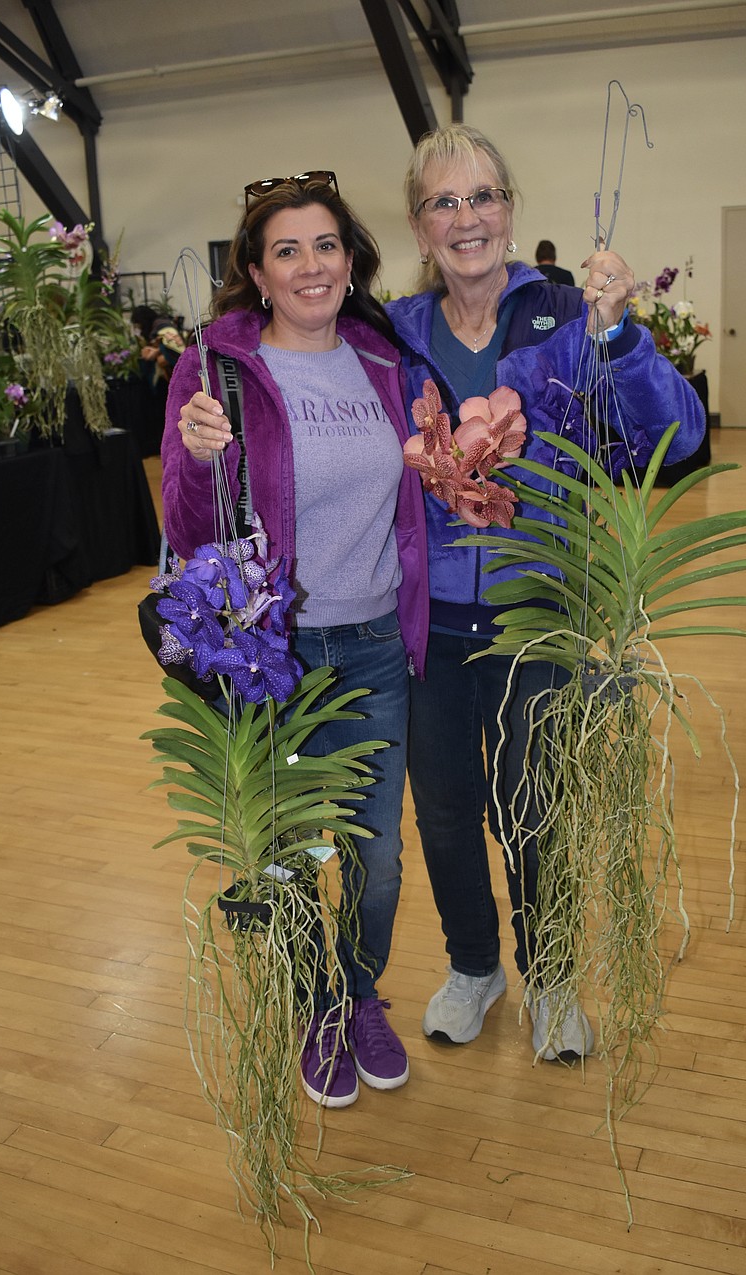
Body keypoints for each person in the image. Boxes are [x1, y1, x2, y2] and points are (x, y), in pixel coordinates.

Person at [387, 124, 705, 1061]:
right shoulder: (395, 335)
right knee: (444, 809)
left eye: (482, 196)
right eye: (444, 202)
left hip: (540, 615)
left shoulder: (568, 315)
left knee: (536, 805)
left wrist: (620, 335)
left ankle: (554, 975)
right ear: (419, 227)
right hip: (432, 621)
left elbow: (674, 439)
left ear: (510, 210)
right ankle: (475, 965)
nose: (467, 218)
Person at [161, 172, 428, 1109]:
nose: (312, 266)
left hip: (371, 643)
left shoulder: (385, 360)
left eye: (327, 246)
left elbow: (417, 489)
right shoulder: (216, 369)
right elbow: (187, 529)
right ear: (257, 271)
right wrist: (194, 459)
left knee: (374, 854)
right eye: (288, 250)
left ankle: (357, 995)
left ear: (351, 260)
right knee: (282, 847)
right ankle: (313, 1007)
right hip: (271, 653)